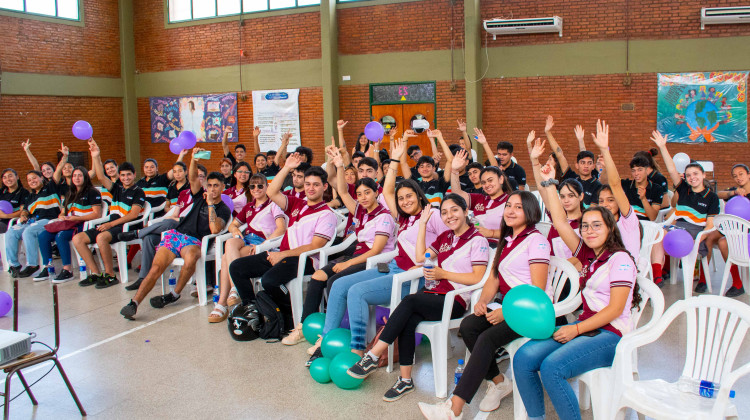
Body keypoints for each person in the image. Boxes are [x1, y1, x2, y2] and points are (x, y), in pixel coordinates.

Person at [512, 160, 640, 420]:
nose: (589, 230)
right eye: (585, 225)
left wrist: (575, 329)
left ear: (610, 228)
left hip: (611, 334)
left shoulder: (621, 259)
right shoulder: (586, 252)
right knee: (523, 358)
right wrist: (548, 182)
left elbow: (615, 309)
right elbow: (559, 219)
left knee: (551, 367)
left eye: (596, 225)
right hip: (585, 328)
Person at [306, 138, 450, 362]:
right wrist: (394, 160)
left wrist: (427, 264)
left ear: (419, 195)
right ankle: (325, 341)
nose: (404, 201)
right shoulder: (402, 218)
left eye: (410, 196)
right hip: (391, 267)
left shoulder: (432, 215)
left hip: (411, 278)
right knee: (340, 284)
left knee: (356, 292)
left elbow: (448, 244)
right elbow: (390, 190)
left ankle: (357, 349)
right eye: (401, 199)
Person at [418, 191, 550, 419]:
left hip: (532, 313)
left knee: (487, 338)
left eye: (518, 207)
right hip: (508, 308)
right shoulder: (507, 240)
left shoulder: (536, 241)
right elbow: (494, 278)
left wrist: (506, 313)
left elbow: (537, 292)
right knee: (469, 326)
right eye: (508, 206)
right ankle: (499, 382)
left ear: (530, 211)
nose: (510, 210)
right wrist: (482, 302)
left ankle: (454, 408)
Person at [347, 194, 489, 402]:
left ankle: (373, 355)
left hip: (454, 300)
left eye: (454, 210)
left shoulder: (478, 240)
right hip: (434, 294)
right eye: (444, 213)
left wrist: (444, 274)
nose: (449, 216)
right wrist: (422, 224)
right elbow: (421, 257)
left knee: (410, 300)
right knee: (408, 320)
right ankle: (405, 380)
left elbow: (477, 277)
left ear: (465, 211)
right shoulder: (445, 238)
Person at [285, 149, 397, 348]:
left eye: (367, 193)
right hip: (356, 255)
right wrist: (339, 165)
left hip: (373, 262)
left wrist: (348, 264)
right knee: (319, 276)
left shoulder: (384, 216)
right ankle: (304, 326)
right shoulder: (360, 211)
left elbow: (376, 251)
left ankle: (335, 333)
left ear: (376, 193)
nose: (362, 198)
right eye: (360, 194)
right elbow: (343, 191)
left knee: (336, 280)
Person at [228, 153, 338, 333]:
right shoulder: (298, 203)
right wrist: (286, 167)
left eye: (316, 184)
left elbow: (314, 246)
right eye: (308, 184)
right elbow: (271, 192)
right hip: (281, 255)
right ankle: (254, 309)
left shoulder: (327, 214)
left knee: (269, 280)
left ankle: (288, 316)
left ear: (324, 186)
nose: (310, 188)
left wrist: (282, 255)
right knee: (237, 267)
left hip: (305, 260)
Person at [120, 148, 231, 320]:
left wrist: (210, 205)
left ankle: (175, 294)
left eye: (216, 185)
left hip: (195, 241)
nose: (212, 189)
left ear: (223, 187)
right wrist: (193, 159)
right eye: (209, 185)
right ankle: (134, 303)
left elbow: (215, 229)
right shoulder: (198, 196)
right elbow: (193, 177)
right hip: (176, 235)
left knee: (190, 259)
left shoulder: (223, 209)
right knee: (156, 268)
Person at [650, 131, 721, 294]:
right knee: (658, 233)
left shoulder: (712, 198)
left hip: (695, 231)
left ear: (703, 175)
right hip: (677, 228)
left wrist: (698, 240)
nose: (692, 178)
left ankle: (702, 279)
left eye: (696, 174)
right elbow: (671, 169)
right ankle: (657, 277)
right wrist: (662, 147)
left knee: (705, 239)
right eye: (688, 175)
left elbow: (709, 225)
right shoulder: (683, 189)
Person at [210, 173, 286, 323]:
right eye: (252, 186)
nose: (256, 189)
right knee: (231, 242)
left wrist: (263, 245)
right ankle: (235, 288)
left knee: (226, 257)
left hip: (264, 242)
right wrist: (235, 231)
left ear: (266, 187)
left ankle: (222, 303)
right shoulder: (249, 207)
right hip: (247, 240)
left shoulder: (273, 204)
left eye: (260, 186)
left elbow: (281, 228)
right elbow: (233, 224)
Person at [119, 165, 208, 292]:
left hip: (190, 230)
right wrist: (167, 220)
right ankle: (142, 278)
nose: (196, 179)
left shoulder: (204, 195)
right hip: (176, 227)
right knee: (149, 238)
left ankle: (137, 233)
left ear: (204, 178)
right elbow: (174, 213)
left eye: (200, 176)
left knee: (171, 223)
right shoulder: (183, 193)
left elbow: (198, 218)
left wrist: (174, 220)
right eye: (194, 175)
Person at [72, 139, 145, 289]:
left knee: (101, 237)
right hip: (110, 225)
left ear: (134, 174)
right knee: (78, 239)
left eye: (128, 175)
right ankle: (96, 274)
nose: (126, 178)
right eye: (123, 175)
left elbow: (132, 215)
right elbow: (100, 177)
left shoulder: (138, 191)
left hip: (126, 227)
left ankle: (110, 275)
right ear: (119, 176)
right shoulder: (117, 188)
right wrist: (96, 156)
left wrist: (110, 224)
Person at [588, 120, 641, 269]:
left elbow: (615, 184)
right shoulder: (599, 224)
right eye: (601, 200)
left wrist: (605, 150)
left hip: (623, 274)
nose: (605, 204)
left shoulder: (628, 222)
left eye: (611, 200)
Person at [35, 167, 102, 283]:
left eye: (80, 175)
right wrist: (61, 216)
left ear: (85, 177)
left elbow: (97, 214)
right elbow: (63, 212)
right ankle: (48, 267)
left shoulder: (92, 192)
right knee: (43, 235)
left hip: (84, 224)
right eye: (74, 175)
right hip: (69, 223)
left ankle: (67, 270)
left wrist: (77, 218)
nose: (76, 178)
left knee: (60, 236)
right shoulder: (70, 193)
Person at [5, 169, 66, 278]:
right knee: (11, 232)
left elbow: (56, 174)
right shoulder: (30, 196)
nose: (32, 181)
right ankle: (14, 265)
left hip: (49, 220)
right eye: (29, 180)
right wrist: (23, 214)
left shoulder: (50, 188)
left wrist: (64, 158)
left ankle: (32, 265)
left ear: (41, 178)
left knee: (28, 232)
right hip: (32, 221)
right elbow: (25, 210)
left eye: (34, 178)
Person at [449, 149, 512, 248]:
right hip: (475, 243)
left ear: (501, 179)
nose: (487, 185)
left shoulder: (511, 201)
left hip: (498, 247)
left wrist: (491, 233)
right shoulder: (480, 198)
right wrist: (455, 171)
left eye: (490, 180)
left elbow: (517, 230)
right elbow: (457, 195)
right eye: (483, 182)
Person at [401, 130, 453, 206]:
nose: (425, 169)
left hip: (436, 216)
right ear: (418, 170)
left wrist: (440, 138)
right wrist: (405, 138)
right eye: (422, 166)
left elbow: (450, 160)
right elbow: (403, 163)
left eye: (428, 166)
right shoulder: (415, 184)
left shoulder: (440, 183)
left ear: (434, 168)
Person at [0, 169, 29, 233]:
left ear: (17, 177)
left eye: (10, 176)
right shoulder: (1, 192)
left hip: (11, 222)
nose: (8, 179)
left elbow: (22, 211)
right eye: (4, 177)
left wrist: (5, 216)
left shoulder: (24, 193)